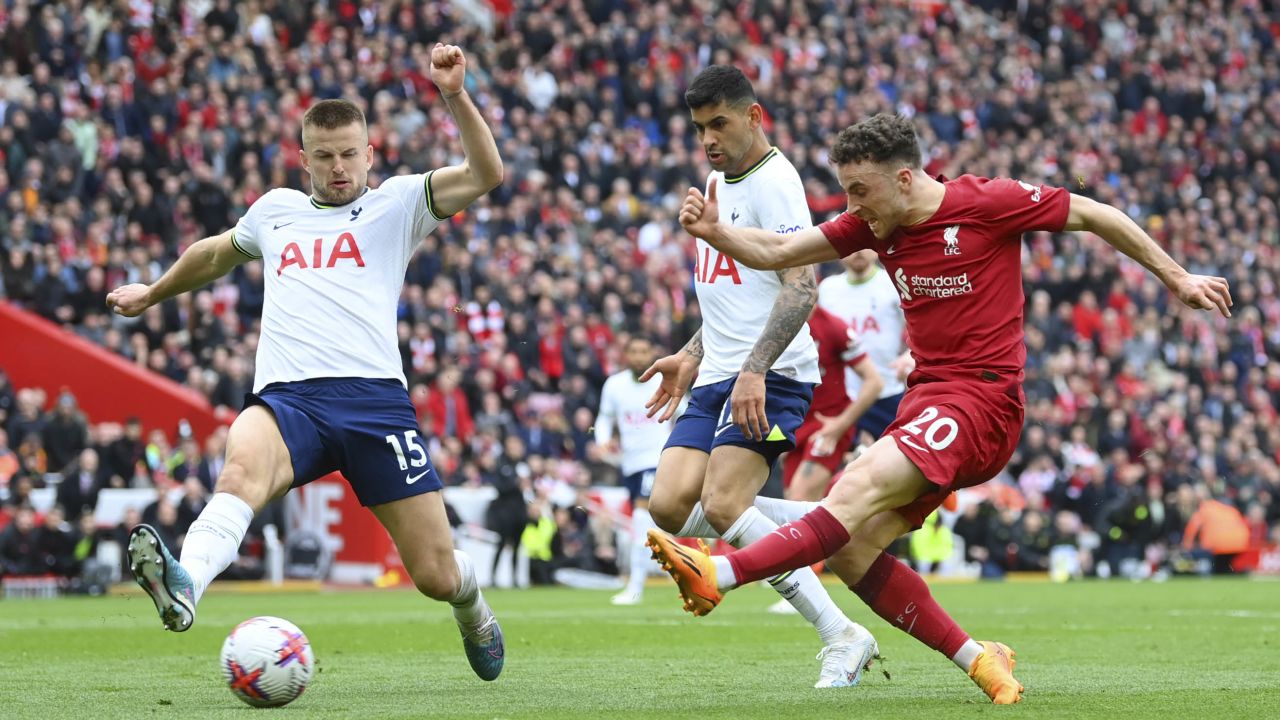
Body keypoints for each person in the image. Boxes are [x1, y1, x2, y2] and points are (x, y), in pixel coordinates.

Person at [648, 113, 1232, 704]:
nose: (853, 205)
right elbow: (783, 250)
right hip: (926, 400)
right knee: (852, 547)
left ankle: (718, 574)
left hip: (983, 399)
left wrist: (1177, 277)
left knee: (854, 490)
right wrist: (716, 233)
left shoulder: (987, 203)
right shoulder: (876, 225)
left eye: (860, 190)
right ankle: (980, 660)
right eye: (847, 191)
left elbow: (1094, 213)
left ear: (904, 178)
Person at [106, 44, 508, 681]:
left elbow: (486, 173)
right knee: (240, 468)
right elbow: (214, 254)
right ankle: (187, 586)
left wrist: (453, 94)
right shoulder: (276, 211)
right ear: (303, 159)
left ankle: (473, 607)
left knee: (434, 575)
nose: (339, 167)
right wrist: (153, 291)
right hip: (289, 399)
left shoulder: (399, 204)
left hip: (375, 402)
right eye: (324, 156)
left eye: (350, 153)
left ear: (370, 152)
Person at [640, 65, 877, 688]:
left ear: (754, 115)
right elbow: (730, 291)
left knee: (722, 504)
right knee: (668, 506)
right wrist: (691, 352)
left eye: (719, 123)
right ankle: (811, 520)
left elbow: (802, 286)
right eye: (698, 128)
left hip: (773, 374)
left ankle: (842, 635)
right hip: (718, 371)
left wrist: (754, 370)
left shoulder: (776, 182)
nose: (708, 138)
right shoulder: (718, 180)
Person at [594, 335, 674, 605]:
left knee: (641, 518)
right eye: (634, 351)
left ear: (652, 352)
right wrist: (602, 440)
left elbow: (684, 410)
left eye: (644, 351)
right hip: (630, 464)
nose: (639, 356)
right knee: (654, 523)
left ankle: (636, 587)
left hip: (657, 460)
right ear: (625, 354)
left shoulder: (664, 380)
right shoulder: (614, 385)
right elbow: (604, 417)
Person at [780, 307, 883, 503]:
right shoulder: (776, 323)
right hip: (795, 426)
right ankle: (845, 482)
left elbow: (875, 382)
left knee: (799, 498)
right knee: (790, 507)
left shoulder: (831, 326)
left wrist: (840, 425)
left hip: (827, 426)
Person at [817, 249, 912, 444]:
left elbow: (923, 327)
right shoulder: (827, 289)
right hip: (843, 396)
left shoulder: (894, 283)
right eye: (851, 245)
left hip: (888, 391)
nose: (858, 250)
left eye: (864, 244)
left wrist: (910, 355)